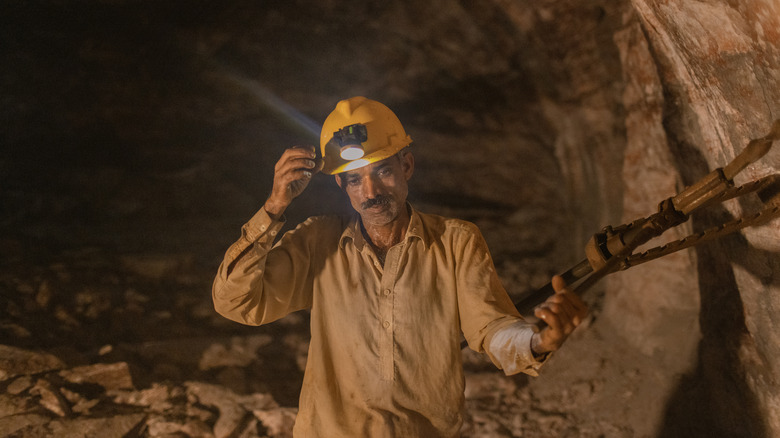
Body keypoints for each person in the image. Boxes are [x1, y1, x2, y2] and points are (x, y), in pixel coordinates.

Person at [212, 96, 588, 437]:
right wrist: (274, 208)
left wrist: (539, 341)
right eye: (355, 180)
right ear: (342, 186)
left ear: (406, 165)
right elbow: (236, 302)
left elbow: (491, 329)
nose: (371, 192)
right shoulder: (320, 243)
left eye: (383, 171)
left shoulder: (455, 242)